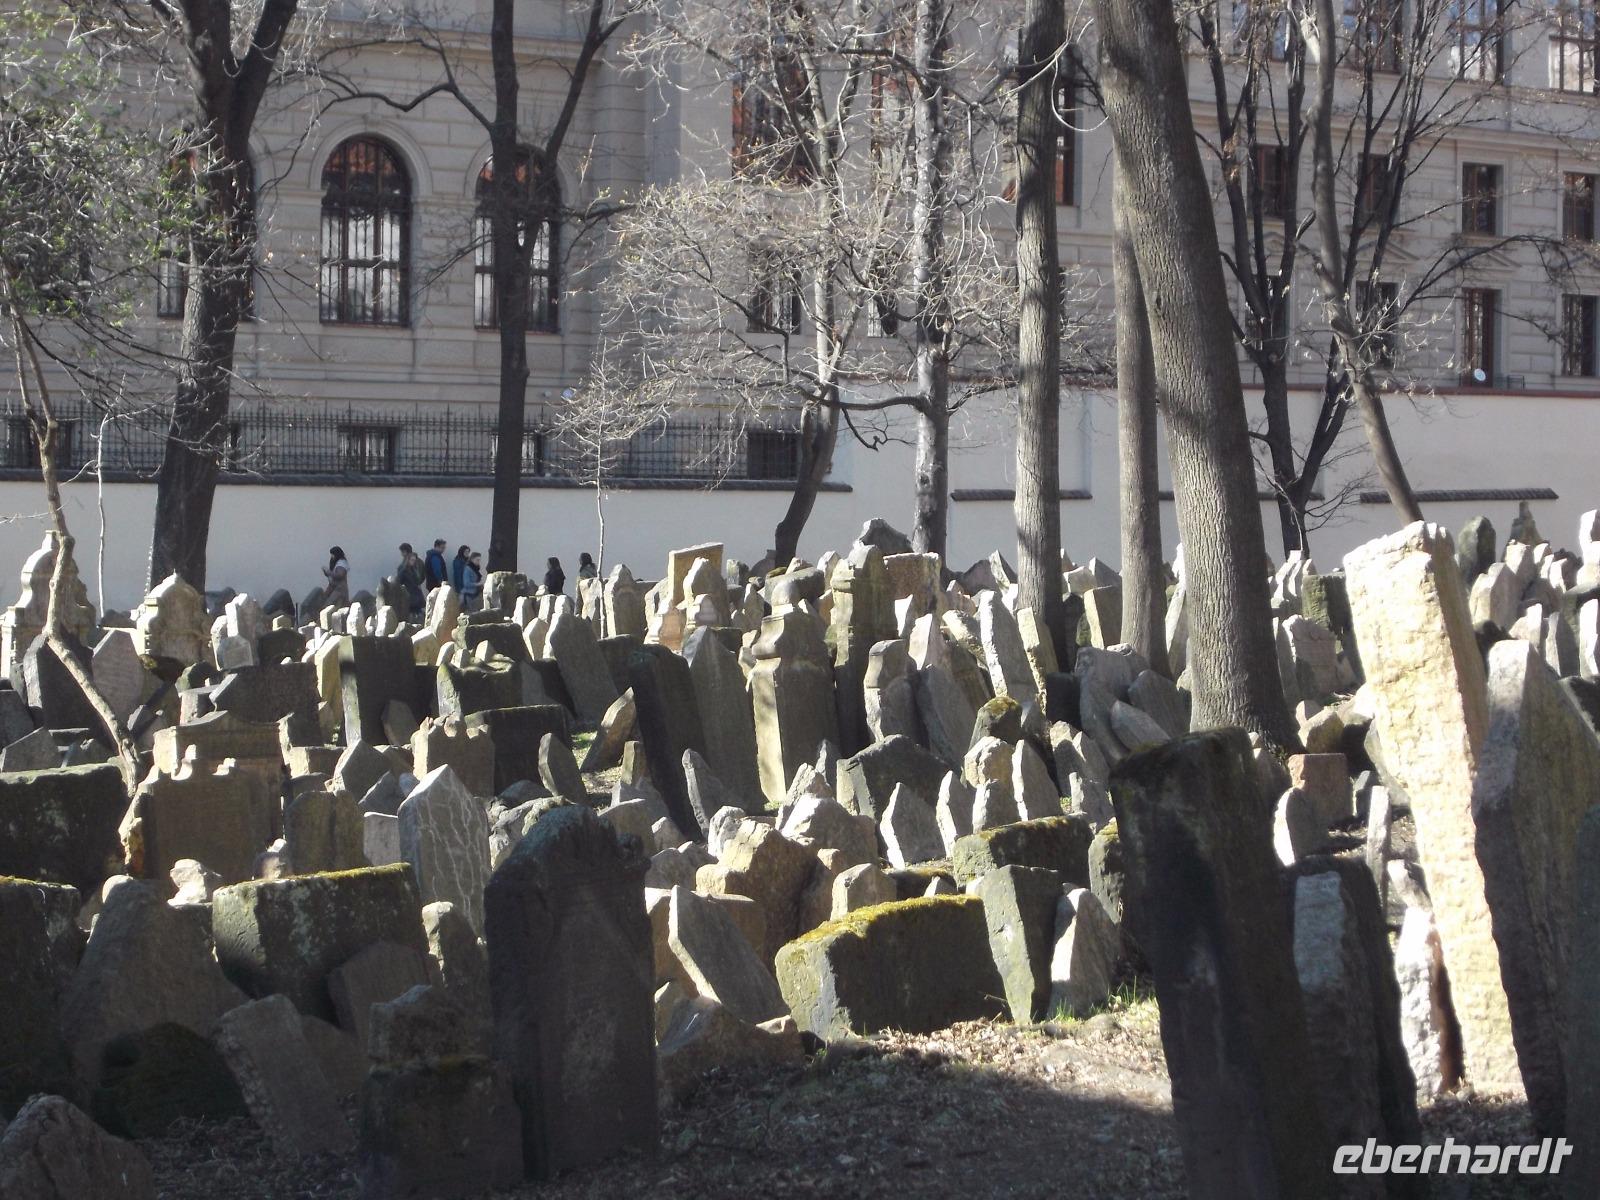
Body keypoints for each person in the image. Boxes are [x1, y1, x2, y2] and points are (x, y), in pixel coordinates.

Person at [396, 543, 425, 617]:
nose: (401, 554)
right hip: (411, 593)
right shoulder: (408, 567)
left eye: (402, 552)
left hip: (413, 593)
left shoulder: (408, 567)